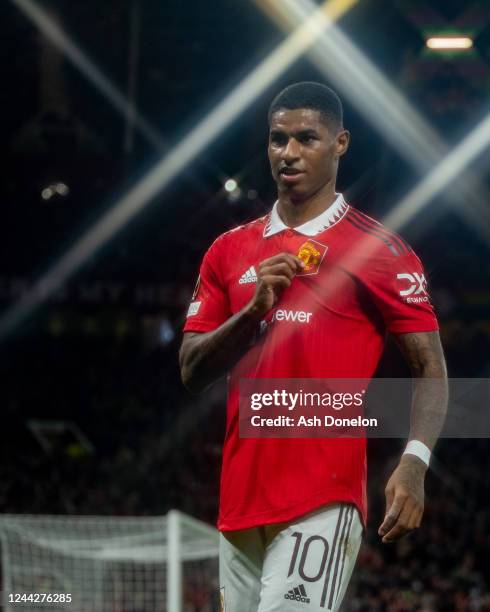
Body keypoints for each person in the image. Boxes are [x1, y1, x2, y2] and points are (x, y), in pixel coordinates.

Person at [179, 82, 447, 612]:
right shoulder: (227, 251)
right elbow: (191, 368)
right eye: (278, 139)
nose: (289, 153)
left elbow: (431, 366)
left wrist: (415, 462)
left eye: (307, 138)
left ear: (340, 143)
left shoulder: (380, 251)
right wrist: (250, 314)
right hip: (239, 501)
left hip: (323, 498)